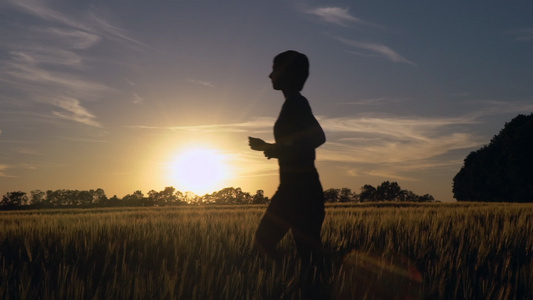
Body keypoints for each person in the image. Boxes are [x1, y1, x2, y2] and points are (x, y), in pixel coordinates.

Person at [249, 50, 326, 297]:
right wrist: (271, 148)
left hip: (297, 190)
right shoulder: (294, 103)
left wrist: (274, 148)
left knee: (264, 242)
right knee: (309, 258)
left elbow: (317, 137)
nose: (270, 75)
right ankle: (302, 288)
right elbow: (301, 144)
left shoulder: (296, 103)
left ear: (288, 74)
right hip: (303, 188)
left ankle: (287, 288)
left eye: (275, 69)